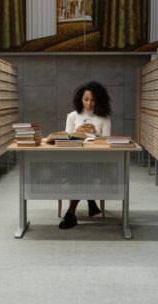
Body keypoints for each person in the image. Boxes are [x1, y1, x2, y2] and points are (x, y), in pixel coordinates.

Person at [59, 81, 112, 229]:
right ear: (80, 99)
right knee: (80, 170)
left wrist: (95, 134)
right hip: (75, 158)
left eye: (93, 100)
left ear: (100, 100)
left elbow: (107, 142)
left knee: (80, 173)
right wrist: (76, 133)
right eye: (86, 99)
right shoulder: (72, 116)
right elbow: (66, 138)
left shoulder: (104, 118)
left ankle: (71, 213)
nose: (89, 103)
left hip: (97, 160)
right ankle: (90, 200)